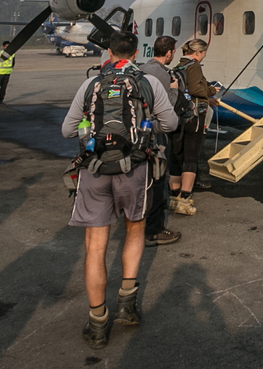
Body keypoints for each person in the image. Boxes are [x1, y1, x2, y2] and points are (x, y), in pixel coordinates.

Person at [61, 30, 178, 349]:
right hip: (135, 168)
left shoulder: (90, 84)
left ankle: (98, 323)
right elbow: (171, 124)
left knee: (95, 246)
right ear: (137, 51)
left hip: (95, 169)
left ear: (109, 51)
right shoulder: (149, 83)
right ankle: (127, 303)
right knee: (134, 231)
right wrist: (147, 125)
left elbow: (67, 129)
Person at [138, 35, 182, 247]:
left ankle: (140, 225)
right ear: (169, 53)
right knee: (157, 181)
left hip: (138, 133)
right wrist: (174, 90)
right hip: (155, 134)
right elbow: (167, 108)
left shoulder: (142, 68)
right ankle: (154, 230)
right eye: (174, 51)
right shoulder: (162, 75)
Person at [169, 38, 217, 216]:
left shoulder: (178, 66)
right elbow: (196, 89)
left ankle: (174, 197)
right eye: (204, 53)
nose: (204, 56)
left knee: (176, 156)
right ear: (197, 52)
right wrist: (211, 91)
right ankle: (185, 199)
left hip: (178, 115)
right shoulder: (194, 66)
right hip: (194, 116)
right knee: (191, 157)